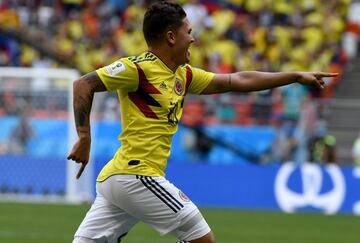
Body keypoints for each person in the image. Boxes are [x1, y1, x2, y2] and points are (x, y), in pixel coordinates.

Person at [67, 1, 337, 242]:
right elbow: (83, 85)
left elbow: (236, 80)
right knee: (201, 239)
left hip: (120, 178)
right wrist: (85, 137)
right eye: (189, 32)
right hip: (135, 176)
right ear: (171, 37)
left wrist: (294, 75)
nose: (193, 39)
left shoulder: (182, 75)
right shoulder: (136, 69)